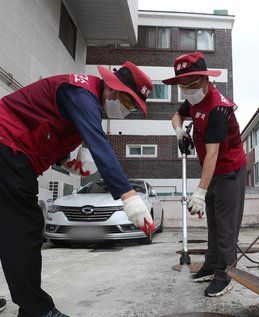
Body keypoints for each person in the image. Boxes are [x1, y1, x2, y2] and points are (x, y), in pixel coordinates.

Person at [0, 62, 156, 317]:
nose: (127, 111)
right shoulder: (82, 93)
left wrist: (66, 162)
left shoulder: (84, 96)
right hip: (8, 146)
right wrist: (129, 197)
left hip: (9, 146)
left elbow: (47, 125)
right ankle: (36, 310)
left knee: (7, 228)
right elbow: (99, 144)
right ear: (114, 89)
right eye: (128, 103)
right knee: (25, 229)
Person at [164, 52, 246, 297]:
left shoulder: (217, 109)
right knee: (212, 220)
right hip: (212, 172)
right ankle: (211, 265)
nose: (188, 89)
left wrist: (199, 192)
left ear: (205, 79)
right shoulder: (193, 100)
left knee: (226, 225)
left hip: (229, 170)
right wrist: (180, 132)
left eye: (192, 83)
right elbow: (177, 115)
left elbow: (212, 155)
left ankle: (226, 273)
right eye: (183, 85)